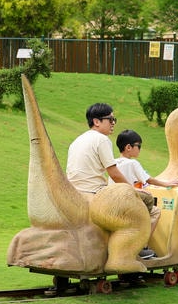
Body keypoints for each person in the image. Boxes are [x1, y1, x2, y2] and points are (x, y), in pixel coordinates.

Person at [66, 103, 159, 260]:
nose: (113, 123)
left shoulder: (77, 141)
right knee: (149, 204)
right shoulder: (102, 140)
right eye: (110, 119)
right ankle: (137, 248)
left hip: (74, 192)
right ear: (97, 121)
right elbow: (114, 173)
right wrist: (132, 191)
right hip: (94, 193)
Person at [114, 129, 178, 191]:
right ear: (128, 147)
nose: (140, 149)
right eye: (138, 146)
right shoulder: (133, 163)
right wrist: (166, 184)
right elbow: (149, 180)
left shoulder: (113, 163)